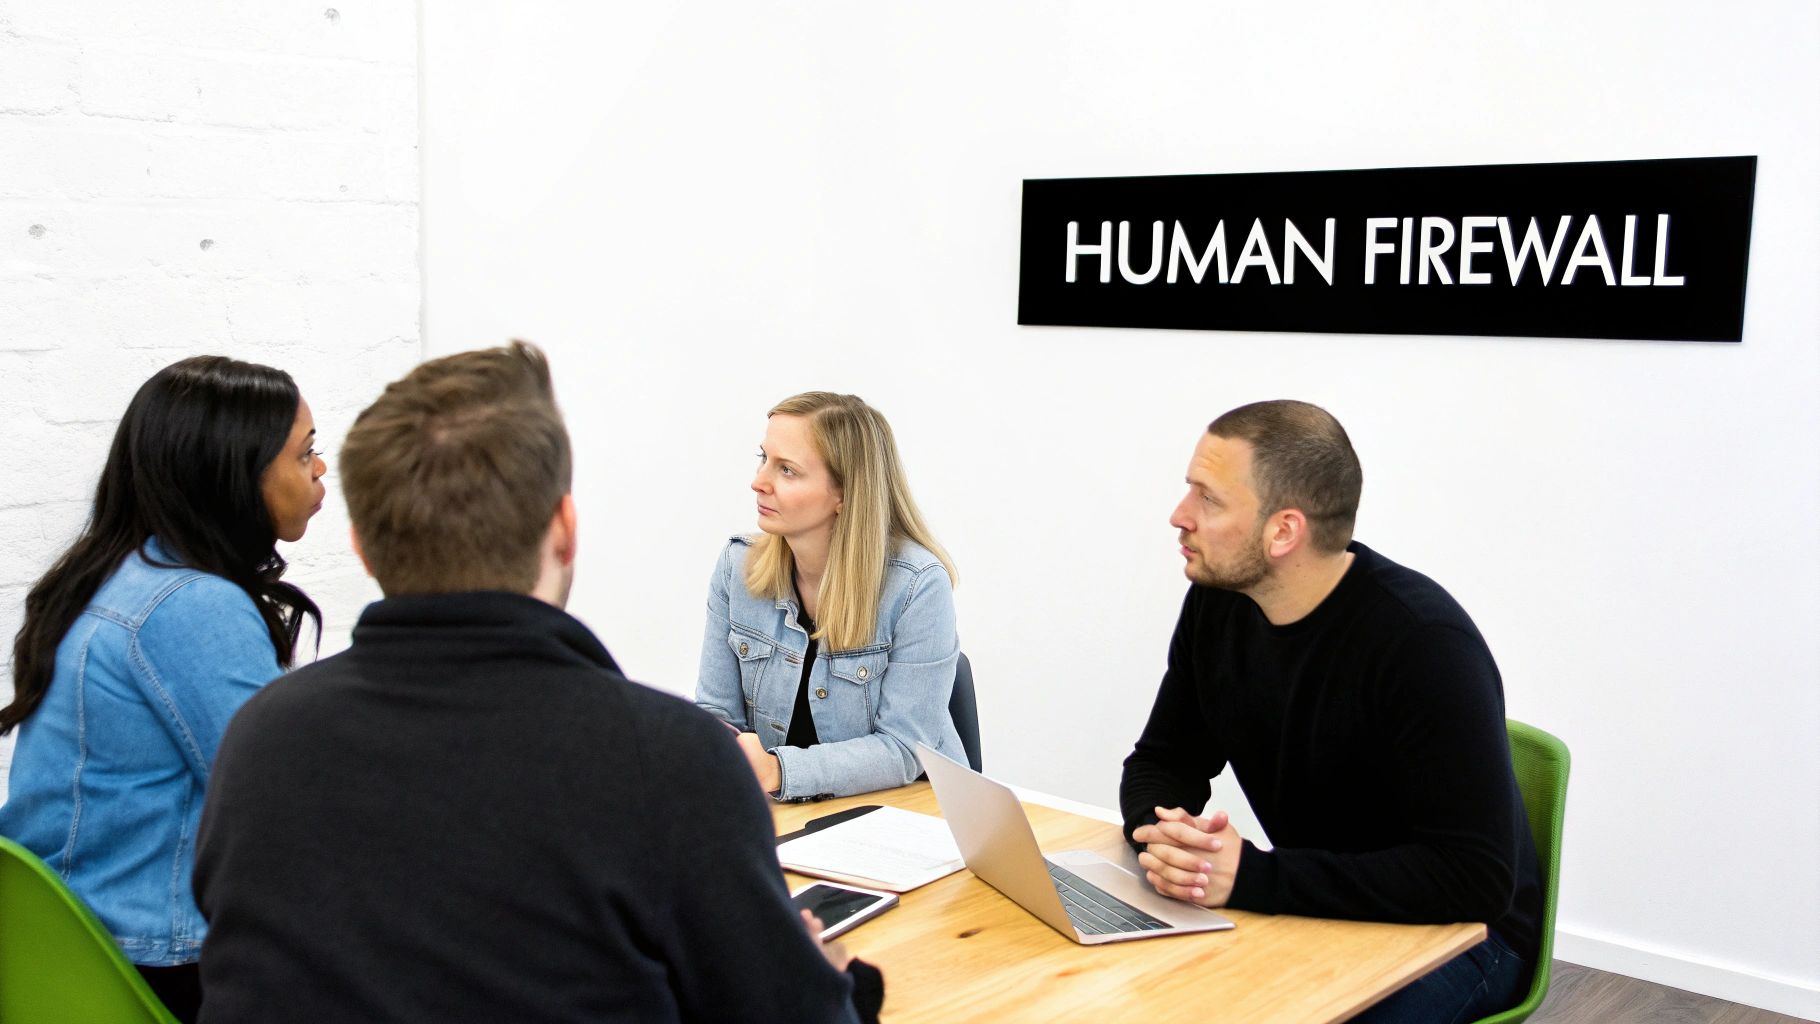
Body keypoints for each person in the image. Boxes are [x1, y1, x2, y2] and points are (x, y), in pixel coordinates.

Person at [192, 343, 884, 1024]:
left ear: (363, 548)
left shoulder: (259, 739)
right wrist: (841, 989)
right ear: (564, 531)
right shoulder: (666, 762)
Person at [1120, 400, 1541, 1023]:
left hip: (1466, 936)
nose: (1179, 517)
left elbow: (1473, 876)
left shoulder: (1422, 642)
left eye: (1208, 499)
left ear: (1283, 531)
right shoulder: (1220, 604)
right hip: (1323, 907)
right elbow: (1164, 758)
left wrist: (1253, 878)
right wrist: (1165, 838)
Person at [0, 356, 324, 1023]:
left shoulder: (116, 577)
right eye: (305, 454)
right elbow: (282, 803)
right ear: (237, 472)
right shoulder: (192, 604)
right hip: (154, 959)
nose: (321, 471)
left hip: (73, 943)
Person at [696, 392, 964, 801]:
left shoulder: (917, 585)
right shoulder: (738, 565)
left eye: (787, 470)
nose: (758, 481)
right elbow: (717, 717)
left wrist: (776, 770)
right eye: (763, 458)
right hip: (786, 813)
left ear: (844, 493)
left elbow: (904, 749)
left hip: (908, 814)